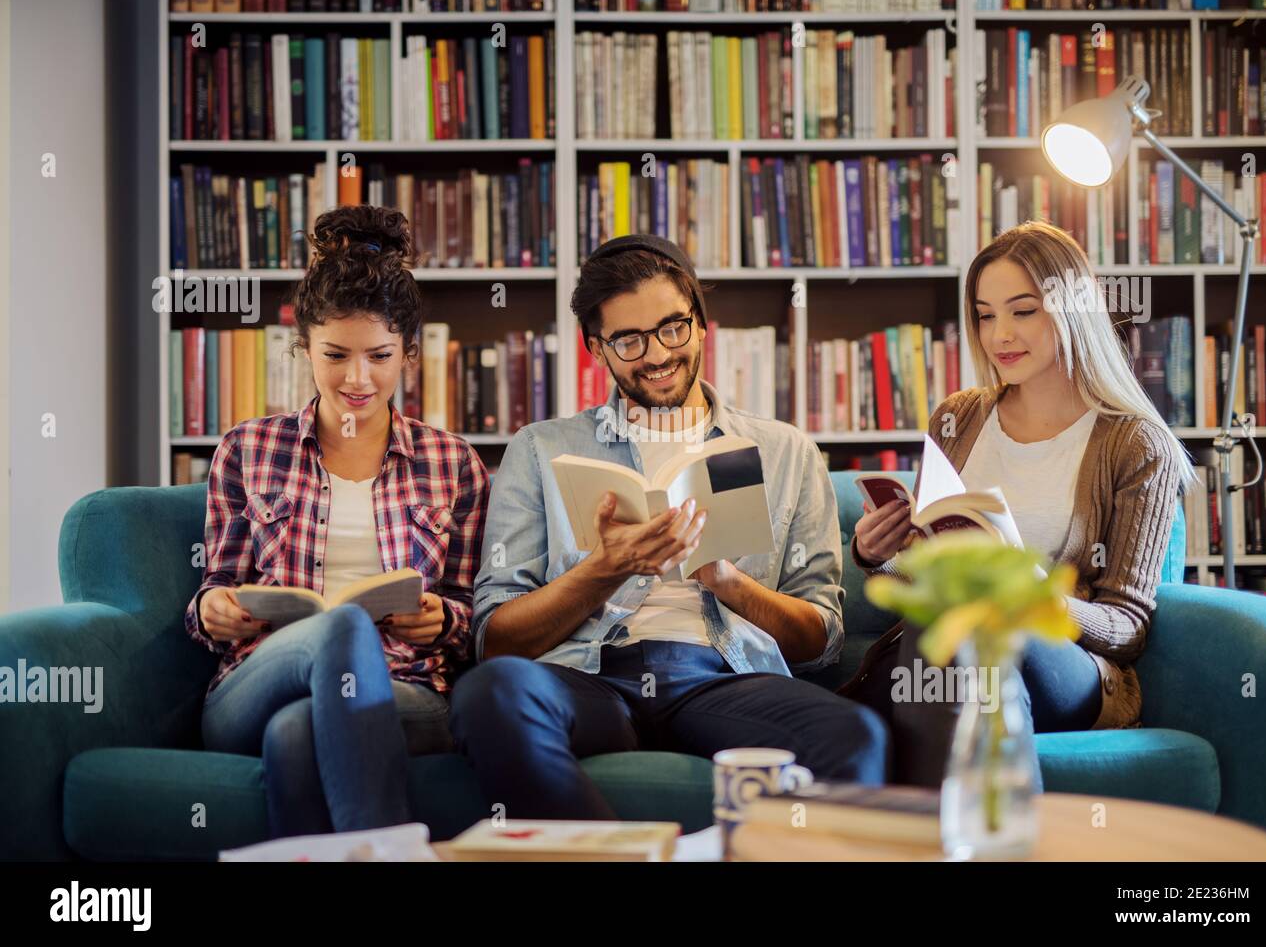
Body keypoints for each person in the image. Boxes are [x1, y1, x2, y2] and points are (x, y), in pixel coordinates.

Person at [452, 233, 887, 819]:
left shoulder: (785, 452)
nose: (657, 353)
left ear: (700, 324)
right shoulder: (539, 449)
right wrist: (605, 572)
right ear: (596, 348)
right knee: (489, 695)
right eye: (628, 339)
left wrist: (730, 582)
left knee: (856, 734)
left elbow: (820, 644)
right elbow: (495, 641)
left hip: (722, 679)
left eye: (672, 327)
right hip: (588, 678)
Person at [845, 220, 1197, 788]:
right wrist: (882, 554)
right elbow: (918, 583)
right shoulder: (958, 419)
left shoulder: (1134, 445)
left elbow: (1127, 628)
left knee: (972, 629)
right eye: (985, 314)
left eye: (1022, 310)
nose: (999, 333)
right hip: (943, 656)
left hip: (1063, 664)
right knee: (954, 626)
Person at [183, 205, 490, 837]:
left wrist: (444, 621)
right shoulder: (248, 449)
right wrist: (213, 607)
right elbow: (216, 585)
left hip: (405, 684)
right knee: (341, 629)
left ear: (408, 353)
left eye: (379, 356)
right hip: (257, 677)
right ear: (303, 349)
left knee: (297, 734)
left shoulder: (453, 462)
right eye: (335, 355)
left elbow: (472, 612)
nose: (357, 378)